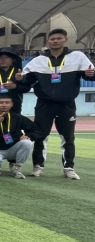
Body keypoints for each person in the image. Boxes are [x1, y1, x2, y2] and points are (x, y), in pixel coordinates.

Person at [21, 29, 95, 179]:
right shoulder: (38, 60)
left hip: (66, 103)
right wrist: (19, 79)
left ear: (65, 39)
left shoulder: (78, 57)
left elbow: (90, 74)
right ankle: (38, 166)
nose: (55, 41)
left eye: (59, 38)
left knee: (68, 137)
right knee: (40, 135)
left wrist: (91, 75)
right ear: (47, 41)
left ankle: (69, 168)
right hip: (44, 103)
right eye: (53, 39)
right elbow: (25, 80)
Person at [0, 96, 41, 179]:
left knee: (27, 143)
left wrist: (29, 136)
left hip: (13, 148)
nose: (4, 105)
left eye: (7, 102)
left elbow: (36, 130)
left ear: (12, 104)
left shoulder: (18, 118)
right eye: (1, 102)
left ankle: (17, 169)